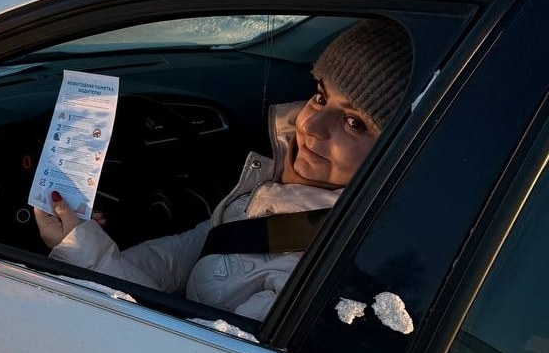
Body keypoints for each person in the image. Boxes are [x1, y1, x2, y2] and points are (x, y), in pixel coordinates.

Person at [34, 19, 412, 321]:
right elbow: (189, 253)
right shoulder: (273, 186)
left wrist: (87, 255)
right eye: (320, 96)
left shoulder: (323, 266)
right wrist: (80, 242)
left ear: (398, 151)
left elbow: (184, 352)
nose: (311, 126)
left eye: (355, 123)